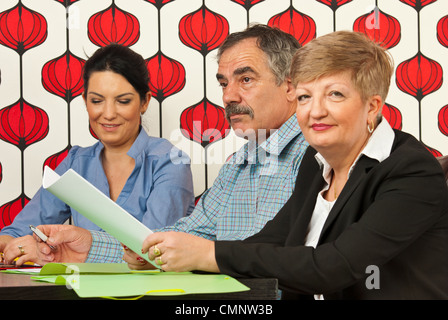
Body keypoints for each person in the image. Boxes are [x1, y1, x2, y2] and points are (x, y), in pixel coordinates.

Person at [139, 31, 448, 299]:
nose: (315, 112)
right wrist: (172, 254)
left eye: (335, 94)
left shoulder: (412, 171)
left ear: (372, 106)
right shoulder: (317, 166)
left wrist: (209, 254)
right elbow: (269, 243)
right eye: (304, 97)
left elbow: (334, 267)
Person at [30, 24, 309, 266]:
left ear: (289, 86)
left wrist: (204, 256)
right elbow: (186, 237)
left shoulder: (318, 155)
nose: (228, 96)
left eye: (245, 79)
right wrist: (89, 246)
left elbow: (297, 261)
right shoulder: (237, 165)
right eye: (224, 83)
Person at [0, 44, 195, 266]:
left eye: (123, 101)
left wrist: (54, 252)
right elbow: (19, 230)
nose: (108, 114)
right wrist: (11, 243)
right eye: (96, 101)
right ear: (85, 101)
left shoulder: (170, 162)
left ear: (144, 101)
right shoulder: (76, 162)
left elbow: (152, 253)